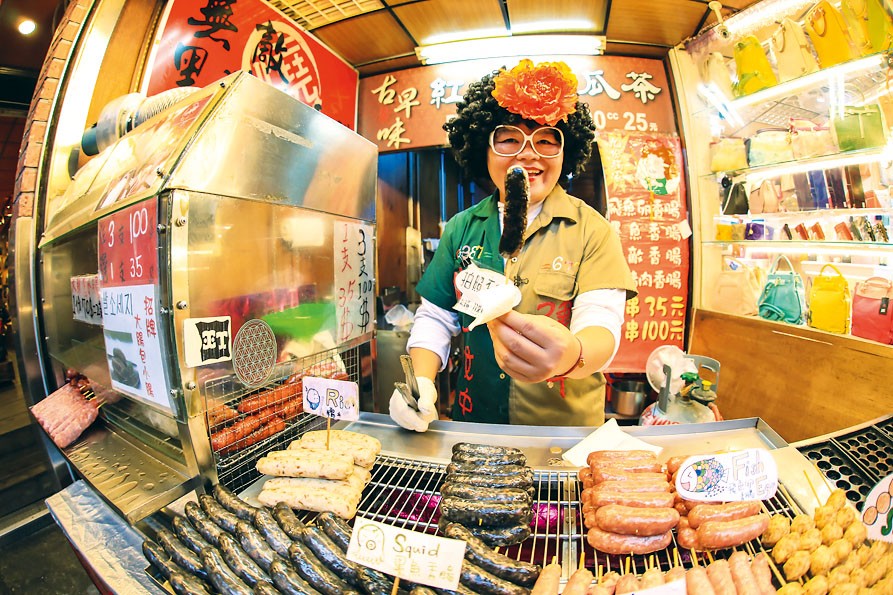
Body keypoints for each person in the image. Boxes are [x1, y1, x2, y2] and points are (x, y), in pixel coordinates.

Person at [389, 59, 636, 431]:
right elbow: (436, 317)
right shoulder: (460, 228)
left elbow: (602, 321)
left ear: (565, 151)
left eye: (546, 140)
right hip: (476, 423)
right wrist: (420, 382)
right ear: (482, 149)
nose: (528, 153)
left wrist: (573, 355)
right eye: (508, 139)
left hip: (561, 433)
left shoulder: (593, 229)